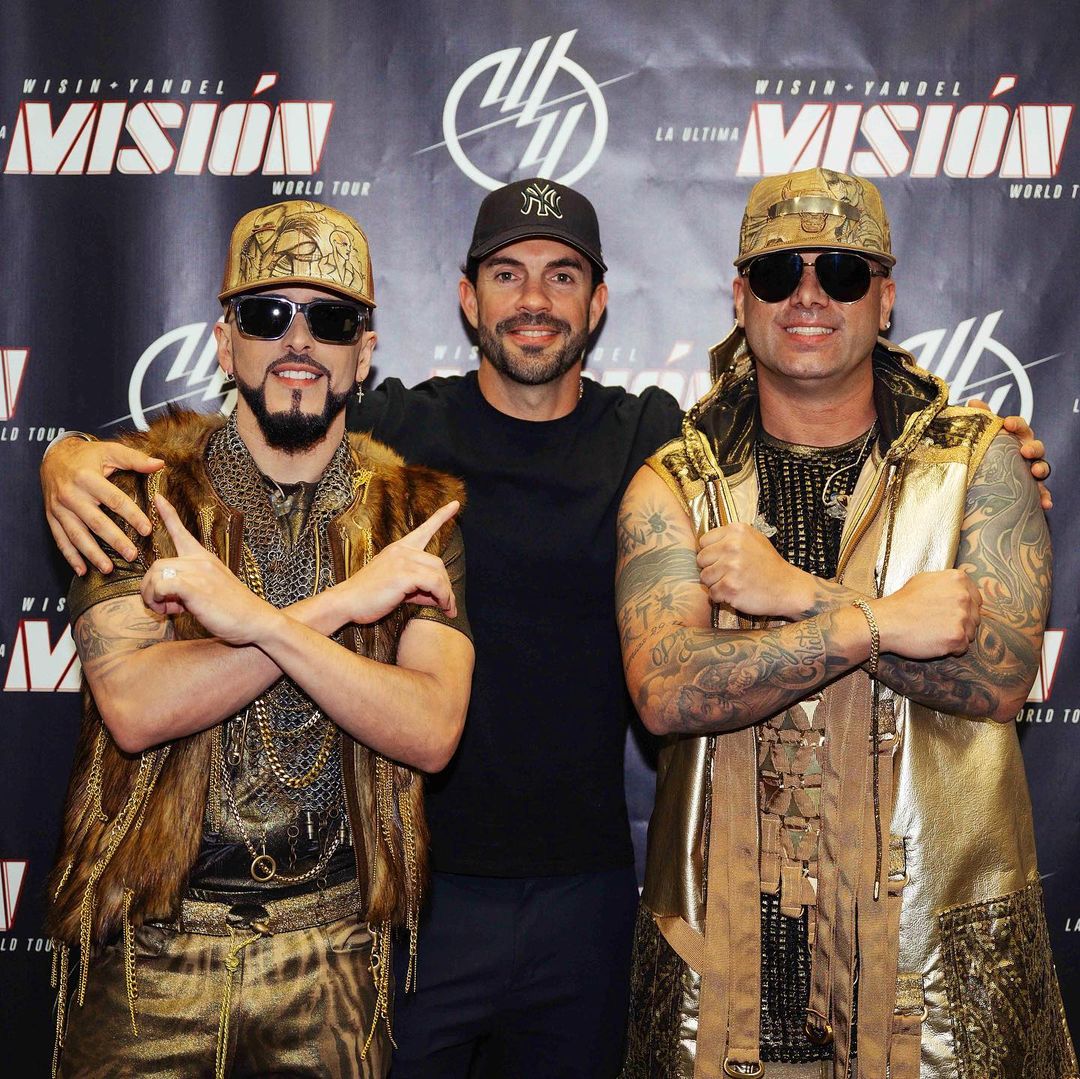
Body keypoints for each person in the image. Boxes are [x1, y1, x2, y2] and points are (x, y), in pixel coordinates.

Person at [40, 178, 1051, 1078]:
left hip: (587, 890)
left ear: (598, 303)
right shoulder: (401, 437)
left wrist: (984, 451)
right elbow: (272, 410)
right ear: (466, 298)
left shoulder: (655, 438)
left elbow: (796, 406)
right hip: (419, 894)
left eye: (563, 276)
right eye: (508, 274)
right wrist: (67, 459)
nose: (535, 299)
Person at [615, 167, 1075, 1079]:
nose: (809, 295)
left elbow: (999, 677)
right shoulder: (676, 484)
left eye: (843, 272)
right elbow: (667, 690)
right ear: (741, 299)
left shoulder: (978, 463)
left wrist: (795, 592)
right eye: (778, 272)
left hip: (931, 1001)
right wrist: (879, 622)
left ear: (886, 298)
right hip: (727, 995)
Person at [45, 200, 474, 1079]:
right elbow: (134, 706)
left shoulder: (418, 514)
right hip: (147, 955)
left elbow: (431, 728)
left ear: (365, 350)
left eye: (331, 319)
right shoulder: (134, 493)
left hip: (334, 954)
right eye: (267, 314)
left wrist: (256, 622)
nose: (298, 340)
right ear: (224, 340)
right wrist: (340, 605)